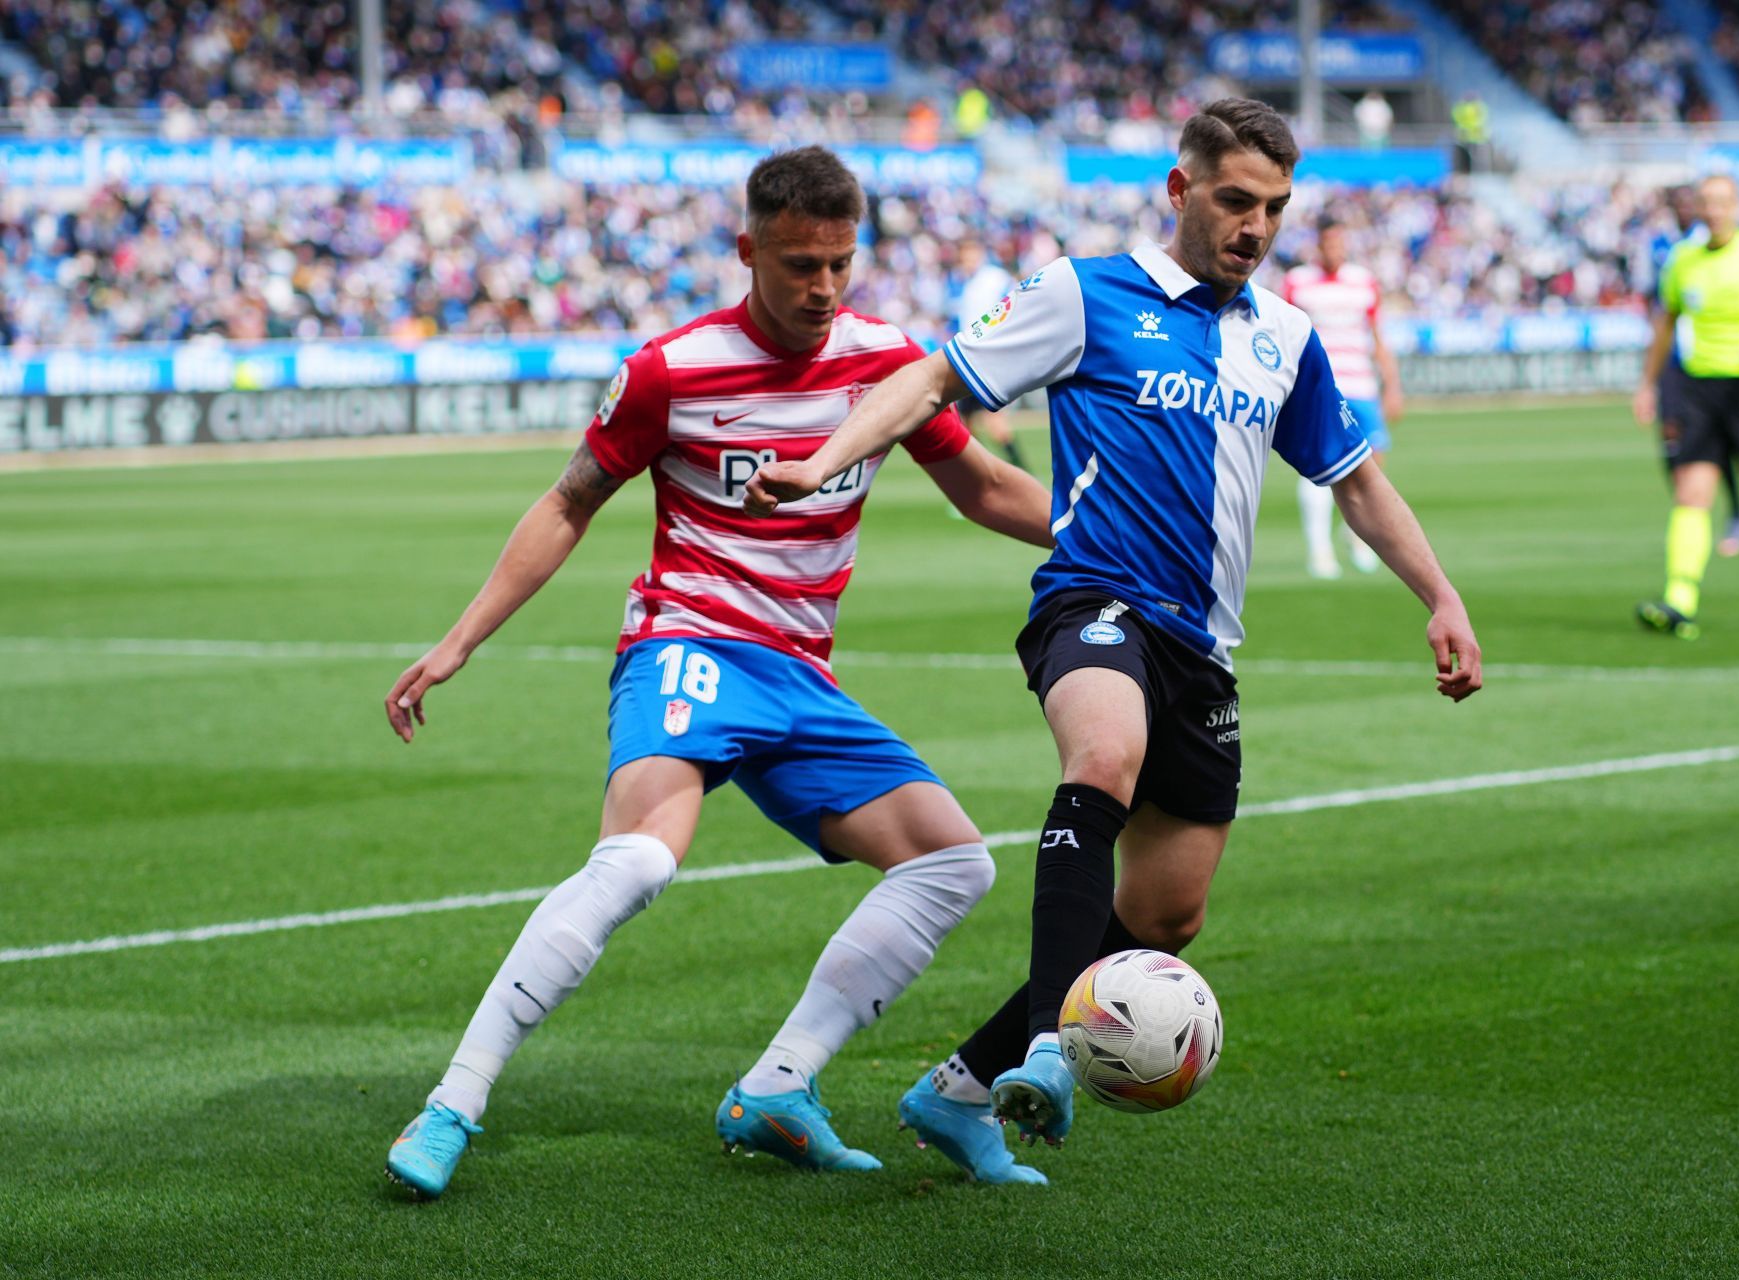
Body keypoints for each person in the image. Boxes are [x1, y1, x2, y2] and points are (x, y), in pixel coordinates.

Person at [745, 98, 1482, 1174]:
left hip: (1202, 644)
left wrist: (1440, 593)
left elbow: (1355, 478)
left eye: (1274, 206)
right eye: (1235, 199)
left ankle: (954, 1093)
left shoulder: (1286, 337)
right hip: (1093, 598)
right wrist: (821, 460)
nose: (1255, 224)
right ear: (1181, 191)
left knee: (1165, 915)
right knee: (1104, 755)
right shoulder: (1085, 294)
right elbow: (932, 378)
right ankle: (1046, 1048)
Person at [380, 146, 1055, 1199]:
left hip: (800, 675)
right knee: (639, 862)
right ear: (748, 251)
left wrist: (1112, 541)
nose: (822, 287)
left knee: (953, 863)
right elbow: (569, 502)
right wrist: (460, 638)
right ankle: (451, 1102)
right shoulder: (672, 370)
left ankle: (779, 1086)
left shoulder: (890, 362)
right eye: (798, 265)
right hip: (688, 643)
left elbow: (980, 486)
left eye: (840, 262)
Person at [1632, 173, 1739, 639]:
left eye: (1722, 202)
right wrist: (1648, 384)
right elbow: (1664, 325)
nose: (1713, 210)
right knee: (1691, 493)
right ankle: (1679, 600)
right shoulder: (1682, 260)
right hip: (1697, 390)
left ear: (1737, 205)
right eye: (1706, 202)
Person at [1282, 216, 1404, 579]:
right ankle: (1319, 550)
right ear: (1318, 245)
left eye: (1339, 242)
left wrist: (1392, 384)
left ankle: (1356, 535)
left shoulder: (1363, 282)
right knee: (1317, 466)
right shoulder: (1298, 283)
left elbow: (1377, 335)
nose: (1334, 249)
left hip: (1362, 386)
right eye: (1328, 243)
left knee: (1371, 467)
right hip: (1320, 389)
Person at [1647, 184, 1739, 557]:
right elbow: (1657, 302)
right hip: (1673, 364)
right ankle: (1691, 507)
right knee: (1672, 436)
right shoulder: (1661, 245)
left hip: (1705, 365)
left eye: (1693, 202)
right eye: (1680, 203)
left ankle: (1736, 511)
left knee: (1722, 442)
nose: (1688, 209)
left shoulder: (1707, 246)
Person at [951, 238, 1028, 470]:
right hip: (966, 358)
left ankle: (1021, 472)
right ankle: (980, 473)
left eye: (971, 256)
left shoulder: (994, 279)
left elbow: (1014, 306)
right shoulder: (962, 282)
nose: (968, 262)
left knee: (995, 422)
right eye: (964, 257)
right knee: (964, 425)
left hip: (988, 358)